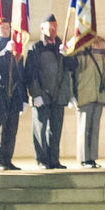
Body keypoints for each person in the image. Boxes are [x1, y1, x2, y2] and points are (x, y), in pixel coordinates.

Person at [24, 16, 74, 168]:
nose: (53, 29)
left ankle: (54, 159)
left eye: (55, 26)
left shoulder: (62, 46)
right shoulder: (36, 47)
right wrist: (36, 94)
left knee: (55, 129)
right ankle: (42, 159)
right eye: (50, 26)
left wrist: (67, 54)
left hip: (59, 95)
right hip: (42, 95)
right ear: (42, 28)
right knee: (40, 128)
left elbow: (73, 67)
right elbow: (31, 73)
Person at [0, 30, 25, 170]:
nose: (6, 29)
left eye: (8, 26)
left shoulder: (16, 47)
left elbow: (20, 74)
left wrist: (23, 97)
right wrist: (5, 52)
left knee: (11, 129)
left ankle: (7, 159)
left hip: (14, 93)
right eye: (3, 26)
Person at [68, 32, 105, 168]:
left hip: (99, 95)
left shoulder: (102, 56)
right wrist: (71, 95)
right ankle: (84, 158)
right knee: (84, 128)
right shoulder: (81, 54)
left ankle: (91, 157)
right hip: (84, 95)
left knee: (94, 128)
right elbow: (70, 74)